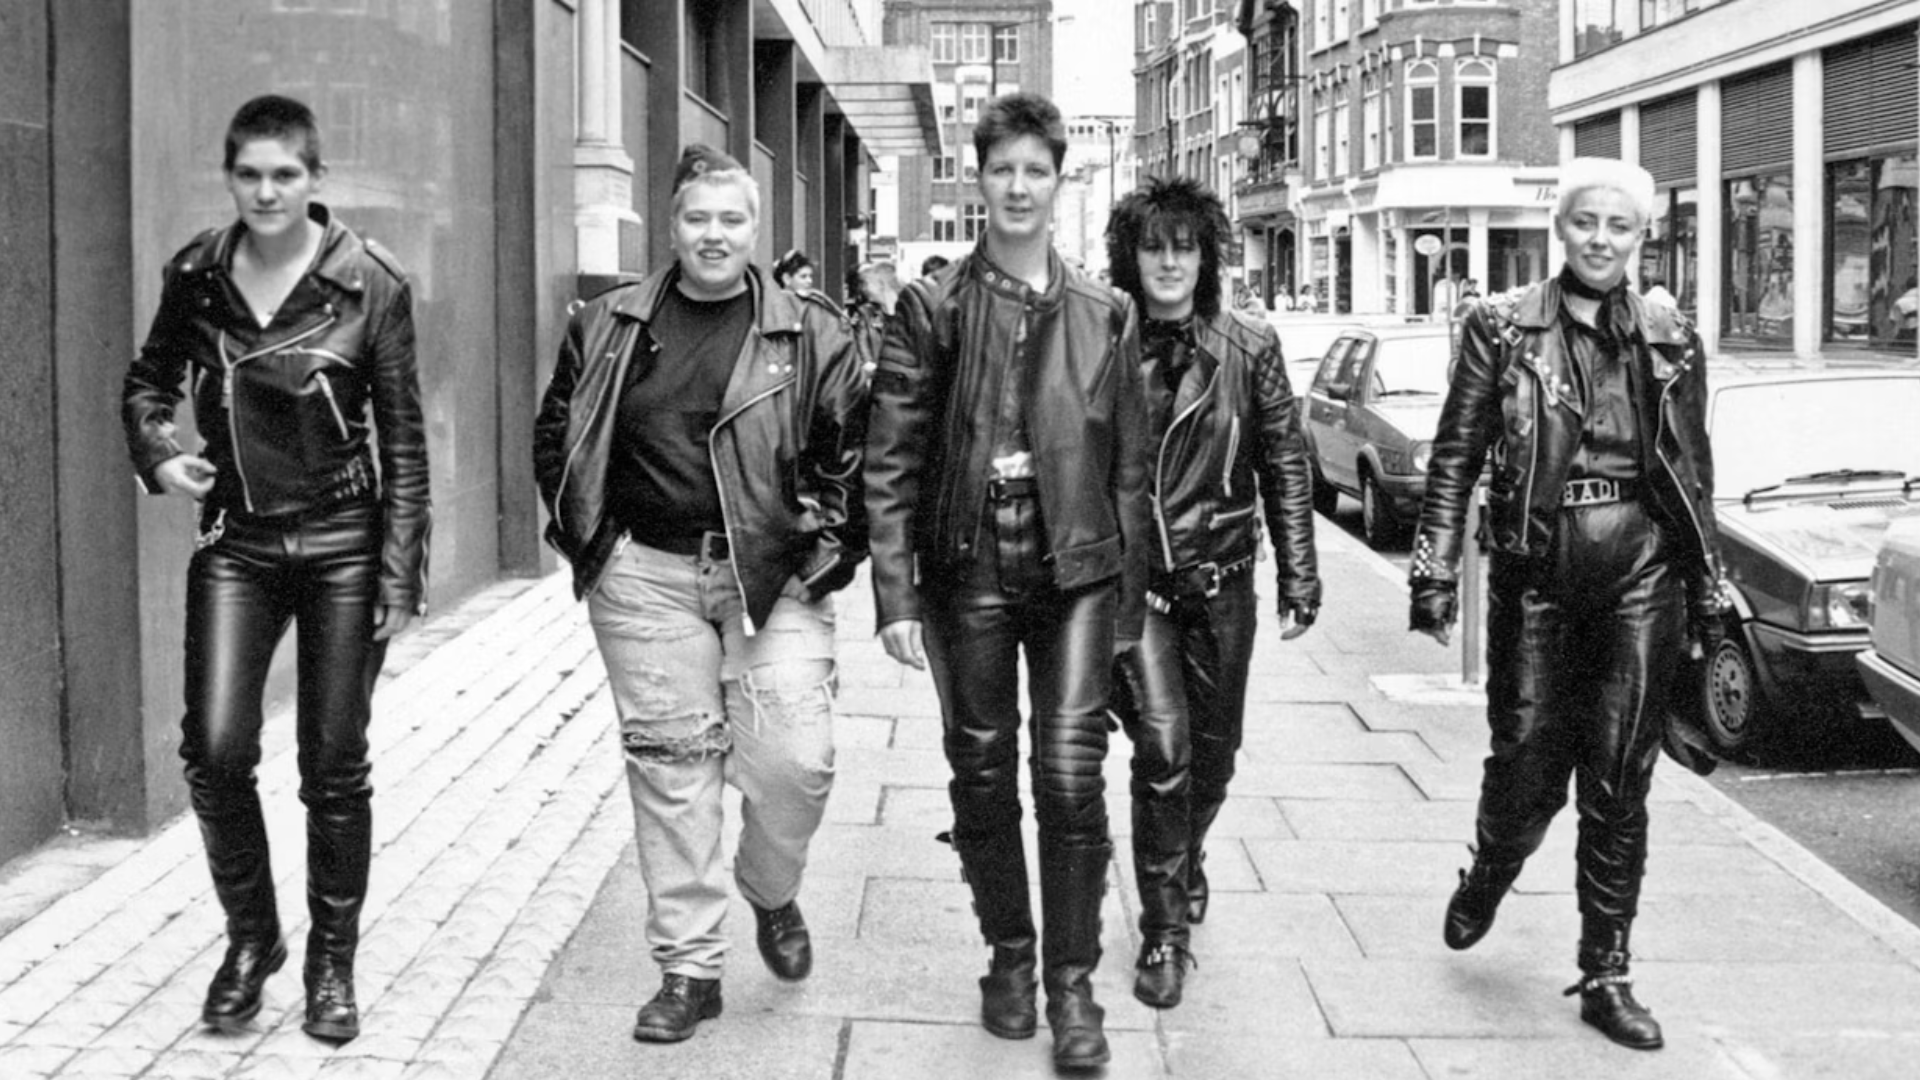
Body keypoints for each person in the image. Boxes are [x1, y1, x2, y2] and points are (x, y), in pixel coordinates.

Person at [534, 144, 867, 1044]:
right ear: (671, 224)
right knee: (674, 771)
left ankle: (771, 888)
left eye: (731, 220)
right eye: (696, 219)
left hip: (771, 576)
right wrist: (591, 544)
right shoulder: (607, 324)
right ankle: (690, 967)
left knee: (795, 763)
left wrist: (821, 558)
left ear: (756, 230)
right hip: (644, 577)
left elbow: (851, 461)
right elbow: (558, 435)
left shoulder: (811, 332)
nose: (712, 235)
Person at [122, 94, 430, 1043]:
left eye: (285, 174)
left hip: (343, 538)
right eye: (250, 174)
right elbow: (147, 383)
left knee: (333, 767)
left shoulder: (370, 282)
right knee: (215, 754)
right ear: (230, 177)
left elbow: (405, 438)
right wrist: (160, 453)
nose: (266, 191)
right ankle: (252, 941)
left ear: (314, 179)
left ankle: (332, 968)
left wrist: (398, 574)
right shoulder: (198, 276)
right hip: (237, 543)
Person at [1408, 158, 1728, 1052]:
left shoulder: (1670, 335)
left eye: (1618, 226)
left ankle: (1607, 970)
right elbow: (1455, 455)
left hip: (1641, 567)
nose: (1600, 239)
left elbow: (1693, 466)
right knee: (1525, 767)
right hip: (1536, 569)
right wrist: (1431, 570)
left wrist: (1706, 582)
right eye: (1585, 221)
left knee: (1620, 775)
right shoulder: (1502, 328)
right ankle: (1492, 868)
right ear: (1561, 227)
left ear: (1641, 236)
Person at [864, 91, 1149, 1071]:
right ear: (979, 180)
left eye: (1037, 169)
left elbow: (1130, 468)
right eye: (1002, 169)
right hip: (967, 564)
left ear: (1057, 181)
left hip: (1075, 568)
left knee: (1070, 774)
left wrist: (1127, 605)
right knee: (982, 770)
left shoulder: (1107, 312)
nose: (1019, 186)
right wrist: (895, 594)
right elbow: (892, 452)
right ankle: (1011, 957)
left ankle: (1074, 985)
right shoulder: (933, 305)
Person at [1101, 177, 1322, 1009]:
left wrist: (1300, 573)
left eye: (1184, 246)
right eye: (1153, 246)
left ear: (1206, 256)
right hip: (1139, 590)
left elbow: (1285, 463)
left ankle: (1181, 856)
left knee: (1215, 755)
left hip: (1224, 584)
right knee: (1163, 752)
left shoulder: (1249, 346)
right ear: (1132, 256)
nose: (1168, 261)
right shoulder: (1103, 341)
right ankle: (1163, 932)